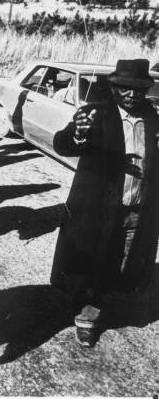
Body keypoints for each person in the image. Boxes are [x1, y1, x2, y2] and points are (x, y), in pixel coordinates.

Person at [50, 59, 159, 348]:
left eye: (138, 89)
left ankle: (104, 298)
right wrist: (78, 133)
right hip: (99, 209)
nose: (132, 95)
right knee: (94, 261)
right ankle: (87, 316)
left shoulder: (153, 118)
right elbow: (62, 143)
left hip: (139, 206)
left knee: (126, 260)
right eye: (125, 88)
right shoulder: (95, 115)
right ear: (113, 88)